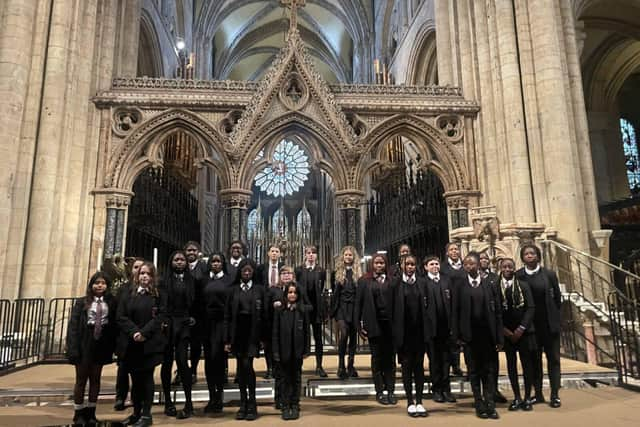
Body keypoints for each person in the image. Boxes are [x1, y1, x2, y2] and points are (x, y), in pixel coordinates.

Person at [452, 252, 503, 419]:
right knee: (473, 370)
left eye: (472, 264)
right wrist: (457, 336)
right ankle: (479, 402)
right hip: (469, 336)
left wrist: (499, 337)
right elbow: (456, 312)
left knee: (488, 370)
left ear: (478, 265)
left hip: (487, 335)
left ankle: (490, 403)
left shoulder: (489, 284)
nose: (469, 267)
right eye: (466, 264)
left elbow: (497, 313)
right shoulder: (459, 285)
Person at [116, 261, 167, 427]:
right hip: (131, 343)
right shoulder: (128, 294)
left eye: (148, 274)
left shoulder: (157, 295)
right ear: (137, 276)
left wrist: (144, 333)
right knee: (135, 380)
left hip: (149, 344)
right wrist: (134, 332)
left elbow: (160, 316)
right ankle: (136, 412)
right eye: (142, 273)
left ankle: (146, 414)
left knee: (146, 379)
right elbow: (121, 316)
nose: (144, 276)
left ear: (153, 277)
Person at [66, 271, 118, 425]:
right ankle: (78, 413)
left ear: (107, 285)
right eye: (97, 283)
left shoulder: (111, 302)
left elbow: (114, 324)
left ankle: (91, 412)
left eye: (103, 283)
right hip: (84, 341)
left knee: (96, 379)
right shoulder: (82, 302)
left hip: (100, 343)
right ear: (91, 285)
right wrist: (73, 347)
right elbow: (73, 326)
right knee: (81, 379)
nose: (100, 285)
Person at [515, 243, 562, 408]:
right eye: (526, 254)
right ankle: (539, 393)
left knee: (553, 360)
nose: (529, 256)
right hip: (531, 326)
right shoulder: (518, 275)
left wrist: (556, 318)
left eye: (532, 253)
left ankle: (555, 394)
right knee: (534, 361)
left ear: (538, 256)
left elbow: (557, 298)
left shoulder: (549, 274)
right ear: (522, 257)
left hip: (548, 325)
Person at [392, 255, 435, 417]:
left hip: (419, 333)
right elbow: (392, 309)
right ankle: (410, 401)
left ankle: (420, 401)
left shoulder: (422, 283)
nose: (410, 267)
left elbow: (429, 307)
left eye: (412, 264)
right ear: (402, 265)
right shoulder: (396, 284)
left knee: (419, 368)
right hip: (404, 334)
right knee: (406, 368)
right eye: (407, 264)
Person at [224, 259, 266, 421]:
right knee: (241, 368)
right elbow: (227, 316)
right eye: (244, 271)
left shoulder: (260, 290)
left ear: (253, 272)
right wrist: (227, 340)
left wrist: (263, 337)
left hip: (253, 334)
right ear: (240, 273)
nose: (247, 273)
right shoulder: (232, 290)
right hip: (237, 334)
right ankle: (243, 403)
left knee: (248, 365)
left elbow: (264, 316)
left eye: (249, 271)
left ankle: (252, 402)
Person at [355, 253, 397, 405]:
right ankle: (380, 391)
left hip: (390, 326)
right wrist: (358, 326)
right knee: (377, 359)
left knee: (390, 360)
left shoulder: (393, 281)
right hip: (373, 324)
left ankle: (391, 390)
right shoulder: (364, 281)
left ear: (386, 264)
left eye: (382, 263)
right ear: (372, 264)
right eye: (376, 263)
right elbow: (358, 305)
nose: (379, 266)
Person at [159, 251, 196, 419]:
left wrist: (193, 317)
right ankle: (168, 401)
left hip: (183, 324)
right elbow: (160, 304)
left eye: (182, 260)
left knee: (182, 362)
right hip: (167, 325)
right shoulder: (163, 281)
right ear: (171, 262)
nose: (180, 262)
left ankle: (188, 403)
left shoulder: (192, 280)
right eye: (176, 259)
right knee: (166, 363)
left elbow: (196, 302)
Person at [498, 257, 536, 411]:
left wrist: (521, 328)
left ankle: (527, 397)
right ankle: (517, 397)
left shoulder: (523, 285)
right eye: (504, 266)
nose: (507, 269)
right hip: (507, 332)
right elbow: (494, 310)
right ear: (500, 268)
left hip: (523, 332)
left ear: (514, 268)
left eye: (510, 266)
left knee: (527, 365)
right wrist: (504, 330)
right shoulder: (495, 286)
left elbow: (531, 307)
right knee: (511, 365)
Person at [272, 282, 311, 420]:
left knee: (296, 378)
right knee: (284, 379)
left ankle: (295, 404)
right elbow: (275, 332)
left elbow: (307, 332)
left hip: (298, 352)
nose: (292, 295)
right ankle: (285, 405)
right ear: (286, 294)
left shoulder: (302, 310)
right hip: (283, 351)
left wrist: (306, 349)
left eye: (295, 292)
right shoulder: (280, 311)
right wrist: (275, 351)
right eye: (290, 292)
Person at [423, 255, 457, 403]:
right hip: (431, 329)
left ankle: (446, 389)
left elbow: (453, 303)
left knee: (446, 360)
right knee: (434, 360)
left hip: (446, 328)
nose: (435, 266)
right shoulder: (423, 282)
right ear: (426, 267)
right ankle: (436, 389)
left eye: (436, 264)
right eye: (431, 264)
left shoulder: (446, 280)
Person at [202, 251, 234, 413]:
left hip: (222, 324)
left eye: (218, 261)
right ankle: (211, 396)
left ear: (223, 263)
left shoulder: (229, 281)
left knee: (219, 359)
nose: (215, 264)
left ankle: (219, 395)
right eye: (213, 261)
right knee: (208, 360)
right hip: (207, 324)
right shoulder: (204, 280)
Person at [114, 257, 144, 411]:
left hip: (142, 334)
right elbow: (118, 313)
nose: (138, 270)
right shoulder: (123, 289)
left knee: (139, 369)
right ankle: (120, 396)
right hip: (125, 334)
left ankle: (137, 397)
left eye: (142, 268)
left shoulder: (149, 289)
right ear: (131, 270)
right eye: (136, 267)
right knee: (123, 368)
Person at [266, 265, 296, 411]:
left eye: (288, 273)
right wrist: (274, 306)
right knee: (279, 371)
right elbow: (266, 310)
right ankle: (279, 399)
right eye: (283, 273)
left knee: (293, 371)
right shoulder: (273, 290)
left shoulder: (297, 290)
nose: (286, 275)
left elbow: (307, 306)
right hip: (277, 333)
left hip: (293, 336)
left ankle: (292, 399)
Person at [295, 245, 327, 377]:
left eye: (313, 253)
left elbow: (321, 288)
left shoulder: (321, 270)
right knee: (301, 337)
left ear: (316, 255)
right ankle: (298, 366)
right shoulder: (299, 270)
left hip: (316, 309)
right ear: (305, 254)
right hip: (303, 308)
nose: (311, 255)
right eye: (308, 253)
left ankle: (319, 366)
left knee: (318, 338)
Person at [331, 246, 362, 379]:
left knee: (353, 338)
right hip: (342, 308)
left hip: (354, 308)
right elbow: (335, 294)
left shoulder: (358, 274)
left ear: (353, 257)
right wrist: (332, 311)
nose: (348, 257)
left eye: (350, 255)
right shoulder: (337, 272)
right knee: (343, 334)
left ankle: (351, 365)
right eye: (346, 255)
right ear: (342, 257)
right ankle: (341, 365)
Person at [257, 245, 284, 379]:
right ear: (268, 253)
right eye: (272, 251)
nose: (274, 253)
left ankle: (279, 367)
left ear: (280, 254)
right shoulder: (261, 268)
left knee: (279, 339)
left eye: (276, 251)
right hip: (266, 309)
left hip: (280, 307)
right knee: (267, 340)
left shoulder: (283, 267)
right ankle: (269, 368)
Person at [184, 241, 208, 385]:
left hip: (198, 313)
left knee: (195, 345)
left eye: (194, 250)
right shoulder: (180, 265)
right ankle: (183, 370)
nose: (191, 253)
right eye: (188, 250)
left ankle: (193, 370)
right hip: (182, 312)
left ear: (198, 253)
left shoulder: (204, 268)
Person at [440, 242, 465, 377]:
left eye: (456, 249)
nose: (455, 251)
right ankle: (450, 365)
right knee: (451, 336)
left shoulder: (465, 266)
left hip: (463, 304)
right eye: (452, 249)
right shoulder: (443, 268)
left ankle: (457, 365)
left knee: (462, 336)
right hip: (449, 304)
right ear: (447, 252)